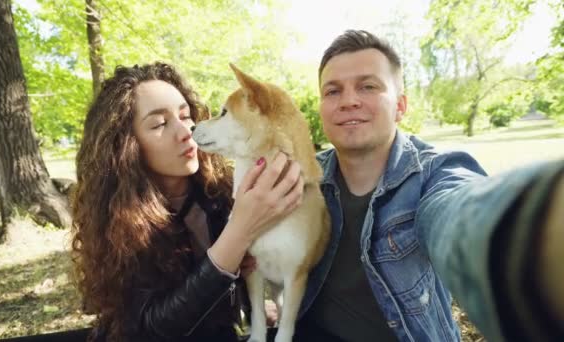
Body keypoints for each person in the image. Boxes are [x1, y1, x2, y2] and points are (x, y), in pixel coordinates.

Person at [293, 30, 564, 342]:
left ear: (401, 106)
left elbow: (460, 213)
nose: (349, 101)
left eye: (368, 86)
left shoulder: (434, 173)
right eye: (333, 91)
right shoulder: (305, 177)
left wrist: (535, 229)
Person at [71, 62, 303, 341]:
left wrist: (248, 301)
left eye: (185, 115)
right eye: (159, 124)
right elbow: (151, 328)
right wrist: (238, 233)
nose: (185, 131)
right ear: (126, 146)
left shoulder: (219, 194)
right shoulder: (119, 219)